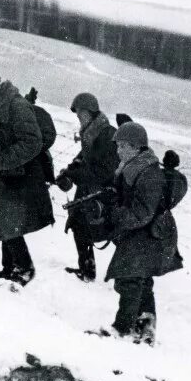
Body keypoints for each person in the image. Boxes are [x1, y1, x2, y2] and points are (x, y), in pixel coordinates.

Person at [0, 66, 54, 286]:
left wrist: (3, 159)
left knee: (6, 218)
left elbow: (32, 142)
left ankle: (24, 268)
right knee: (1, 217)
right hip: (4, 171)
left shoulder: (17, 106)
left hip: (22, 173)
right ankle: (9, 267)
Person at [101, 121, 183, 343]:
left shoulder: (147, 174)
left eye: (122, 147)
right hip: (146, 234)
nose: (118, 151)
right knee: (140, 280)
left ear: (136, 148)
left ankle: (123, 328)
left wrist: (113, 213)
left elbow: (141, 214)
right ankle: (146, 329)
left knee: (130, 279)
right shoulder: (133, 168)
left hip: (152, 235)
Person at [55, 92, 119, 282]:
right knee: (79, 224)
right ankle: (87, 269)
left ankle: (131, 277)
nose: (79, 118)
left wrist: (76, 175)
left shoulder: (106, 134)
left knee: (115, 233)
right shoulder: (91, 133)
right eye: (78, 115)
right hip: (90, 190)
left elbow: (105, 170)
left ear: (91, 113)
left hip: (105, 193)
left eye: (81, 114)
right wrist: (70, 169)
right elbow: (84, 157)